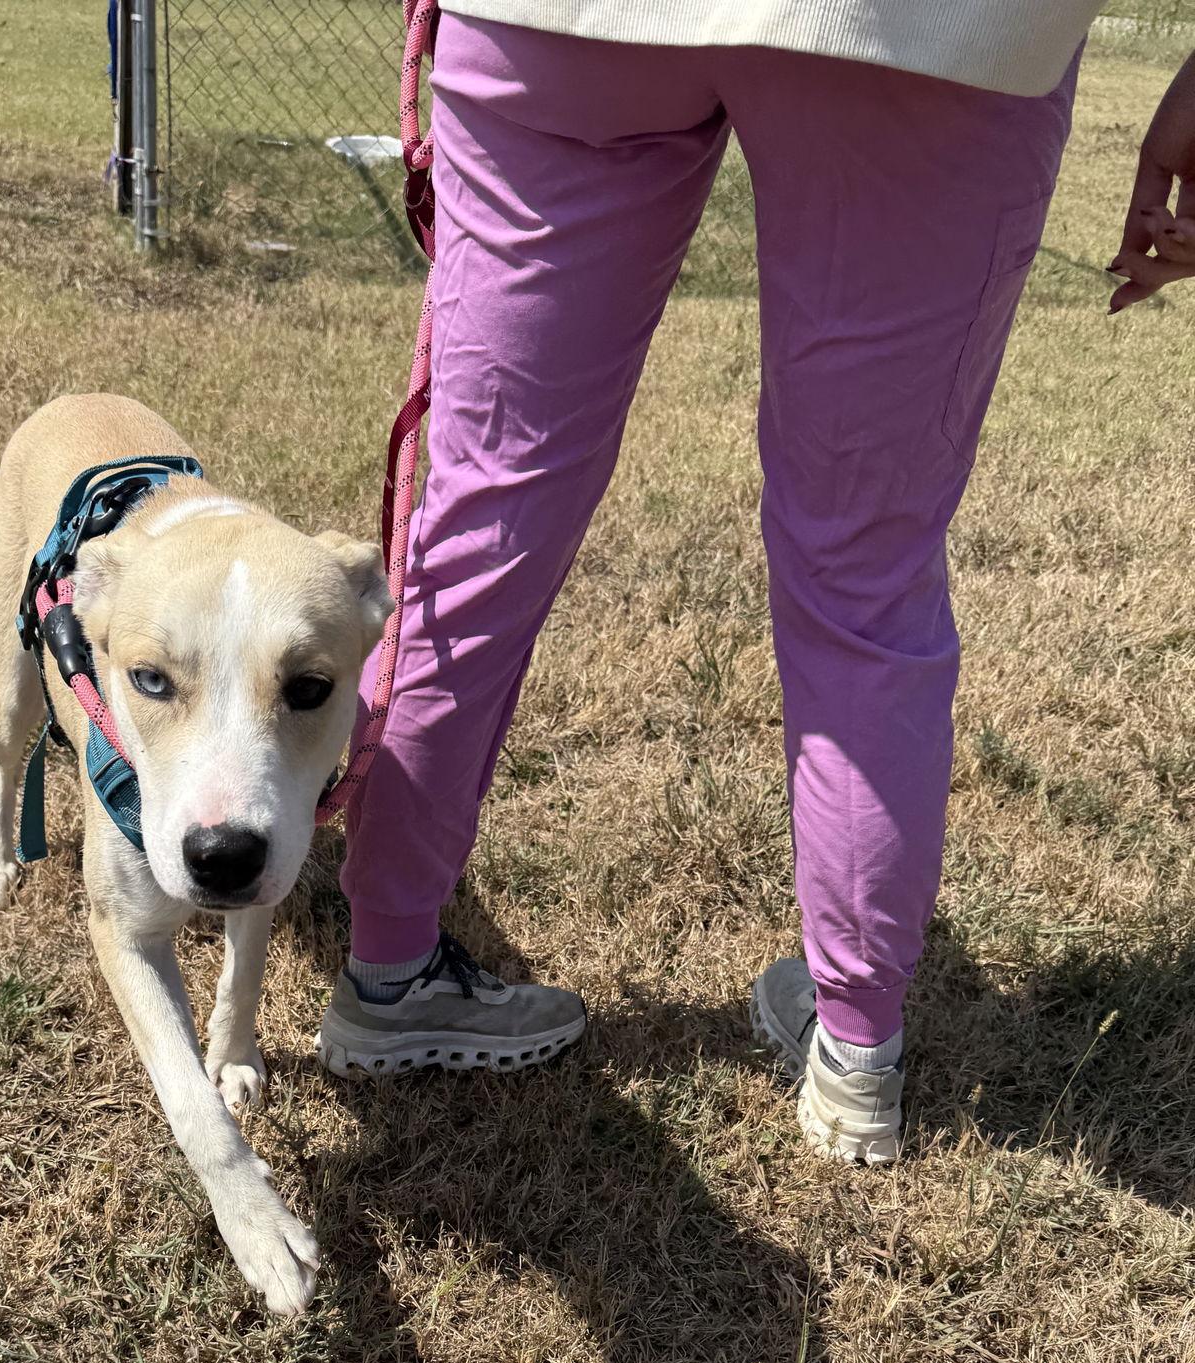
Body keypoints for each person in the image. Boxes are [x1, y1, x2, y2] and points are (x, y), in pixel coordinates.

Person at [314, 5, 1195, 1164]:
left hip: (564, 18)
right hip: (946, 34)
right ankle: (855, 1054)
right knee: (865, 566)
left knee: (488, 504)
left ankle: (387, 971)